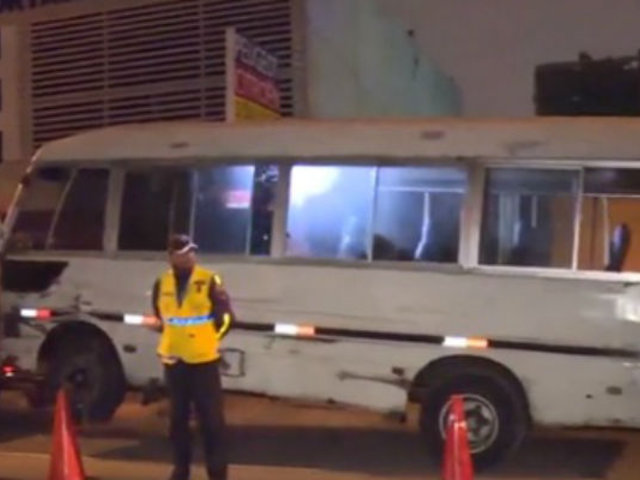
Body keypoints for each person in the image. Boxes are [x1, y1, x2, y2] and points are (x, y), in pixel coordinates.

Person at [150, 234, 235, 480]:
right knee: (178, 422)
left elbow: (226, 318)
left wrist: (209, 339)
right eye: (183, 253)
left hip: (203, 361)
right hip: (175, 362)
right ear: (171, 256)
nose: (188, 257)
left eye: (191, 252)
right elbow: (162, 316)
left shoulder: (208, 279)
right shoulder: (162, 282)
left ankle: (217, 474)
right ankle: (181, 469)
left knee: (211, 423)